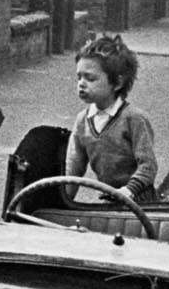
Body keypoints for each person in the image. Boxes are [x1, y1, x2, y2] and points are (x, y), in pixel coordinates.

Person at [65, 32, 158, 197]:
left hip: (140, 202)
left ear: (118, 83)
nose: (81, 84)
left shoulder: (133, 119)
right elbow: (73, 168)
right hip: (110, 200)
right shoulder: (82, 121)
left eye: (90, 78)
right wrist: (63, 200)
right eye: (79, 77)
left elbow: (148, 166)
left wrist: (129, 190)